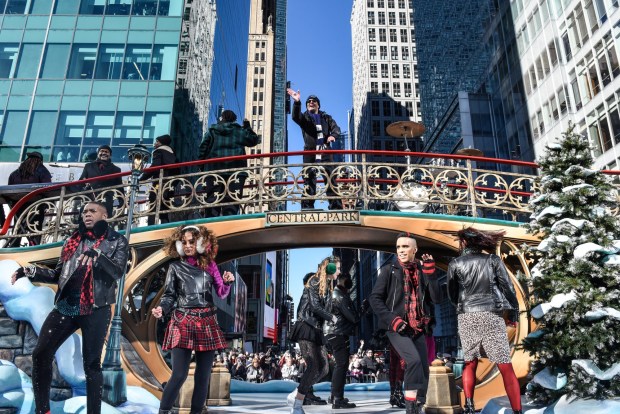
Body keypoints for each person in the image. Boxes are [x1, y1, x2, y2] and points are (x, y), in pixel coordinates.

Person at [10, 200, 129, 414]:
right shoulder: (73, 241)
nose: (87, 215)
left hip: (96, 308)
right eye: (84, 212)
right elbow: (58, 275)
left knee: (91, 365)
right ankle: (43, 410)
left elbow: (117, 272)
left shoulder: (117, 241)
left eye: (92, 211)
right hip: (66, 306)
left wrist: (99, 256)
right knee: (41, 354)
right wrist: (29, 272)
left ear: (105, 216)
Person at [151, 225, 235, 414]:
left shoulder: (211, 265)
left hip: (207, 322)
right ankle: (163, 411)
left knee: (203, 376)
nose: (187, 245)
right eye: (184, 242)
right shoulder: (175, 267)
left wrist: (228, 282)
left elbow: (221, 293)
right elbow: (169, 295)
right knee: (179, 375)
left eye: (192, 241)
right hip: (183, 321)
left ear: (200, 243)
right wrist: (162, 309)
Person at [446, 227, 522, 414]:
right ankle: (517, 410)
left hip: (467, 316)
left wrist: (463, 306)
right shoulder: (492, 260)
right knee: (504, 364)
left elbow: (452, 294)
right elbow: (508, 288)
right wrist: (514, 312)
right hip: (491, 314)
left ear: (464, 243)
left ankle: (469, 405)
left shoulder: (455, 263)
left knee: (470, 361)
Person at [369, 232, 441, 414]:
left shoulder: (422, 270)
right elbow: (375, 299)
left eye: (405, 247)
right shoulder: (388, 270)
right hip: (397, 327)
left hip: (419, 327)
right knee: (414, 361)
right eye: (398, 247)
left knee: (424, 370)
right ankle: (411, 409)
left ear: (414, 250)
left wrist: (431, 275)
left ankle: (419, 404)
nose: (400, 250)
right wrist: (393, 320)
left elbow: (437, 298)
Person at [286, 257, 341, 414]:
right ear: (329, 268)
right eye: (337, 268)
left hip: (316, 329)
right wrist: (331, 317)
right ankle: (297, 404)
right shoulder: (314, 281)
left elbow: (326, 309)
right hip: (306, 326)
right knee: (313, 365)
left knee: (324, 368)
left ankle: (296, 394)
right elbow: (314, 306)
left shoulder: (328, 287)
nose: (339, 271)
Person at [286, 89, 342, 210]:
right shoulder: (304, 118)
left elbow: (336, 128)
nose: (311, 102)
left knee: (330, 178)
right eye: (309, 101)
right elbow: (295, 117)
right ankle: (307, 206)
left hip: (324, 151)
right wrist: (297, 102)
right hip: (310, 152)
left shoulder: (326, 117)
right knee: (309, 179)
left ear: (318, 104)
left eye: (314, 101)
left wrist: (333, 135)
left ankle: (336, 207)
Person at [198, 109, 259, 217]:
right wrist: (247, 126)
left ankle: (211, 227)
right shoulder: (239, 131)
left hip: (213, 170)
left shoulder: (212, 131)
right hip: (235, 172)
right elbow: (254, 140)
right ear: (234, 119)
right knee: (231, 202)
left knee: (212, 201)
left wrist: (202, 167)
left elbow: (202, 149)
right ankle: (228, 225)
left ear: (222, 118)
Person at [323, 273, 367, 409]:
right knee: (341, 365)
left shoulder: (336, 294)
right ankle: (337, 398)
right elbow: (353, 318)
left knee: (340, 364)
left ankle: (334, 396)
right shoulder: (340, 296)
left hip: (334, 332)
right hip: (337, 332)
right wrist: (363, 309)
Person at [7, 151, 52, 246]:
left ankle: (14, 247)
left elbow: (9, 190)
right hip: (35, 206)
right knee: (35, 229)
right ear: (40, 160)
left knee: (18, 228)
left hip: (18, 206)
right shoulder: (42, 170)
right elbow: (48, 189)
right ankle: (34, 246)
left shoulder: (15, 173)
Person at [139, 134, 180, 225]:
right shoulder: (172, 153)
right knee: (164, 208)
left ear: (161, 143)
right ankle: (165, 226)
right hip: (170, 184)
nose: (155, 143)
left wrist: (141, 179)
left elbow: (155, 167)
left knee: (153, 205)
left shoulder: (158, 151)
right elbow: (178, 171)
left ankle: (150, 228)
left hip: (159, 183)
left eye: (157, 141)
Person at [78, 145, 123, 217]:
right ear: (98, 153)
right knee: (85, 221)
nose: (104, 153)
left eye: (106, 152)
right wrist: (84, 189)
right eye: (101, 151)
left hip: (107, 201)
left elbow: (119, 188)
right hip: (90, 198)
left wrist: (119, 202)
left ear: (110, 155)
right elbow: (80, 182)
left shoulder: (116, 169)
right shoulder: (88, 166)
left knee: (104, 222)